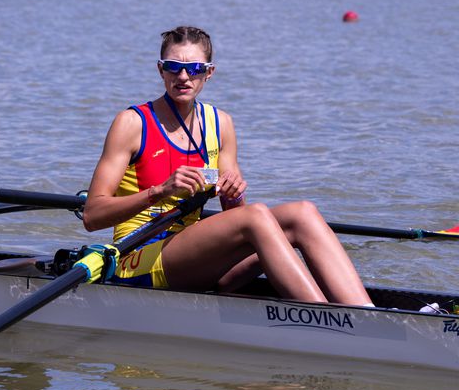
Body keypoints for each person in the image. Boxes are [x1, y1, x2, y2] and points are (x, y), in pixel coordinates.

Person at [82, 25, 372, 306]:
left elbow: (235, 215)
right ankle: (326, 324)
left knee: (303, 213)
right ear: (160, 70)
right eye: (173, 66)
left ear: (209, 73)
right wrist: (159, 191)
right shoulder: (131, 123)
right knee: (256, 216)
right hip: (136, 257)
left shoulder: (221, 124)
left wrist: (234, 194)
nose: (183, 76)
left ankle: (364, 314)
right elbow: (93, 216)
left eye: (194, 68)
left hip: (197, 258)